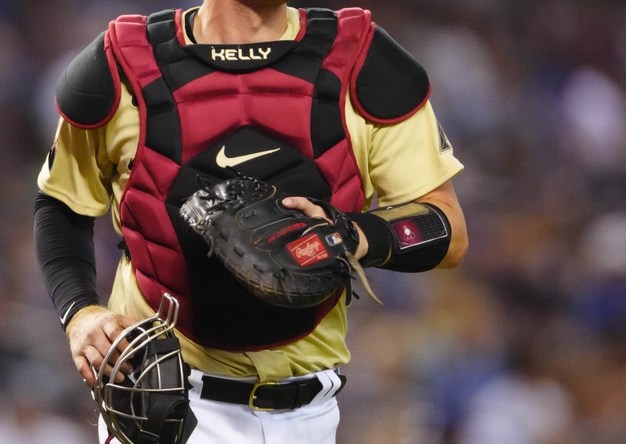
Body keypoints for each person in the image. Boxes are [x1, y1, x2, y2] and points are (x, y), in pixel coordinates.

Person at [33, 1, 469, 443]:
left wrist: (349, 235)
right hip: (164, 407)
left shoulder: (359, 59)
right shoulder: (125, 64)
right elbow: (60, 206)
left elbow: (446, 229)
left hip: (310, 415)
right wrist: (80, 313)